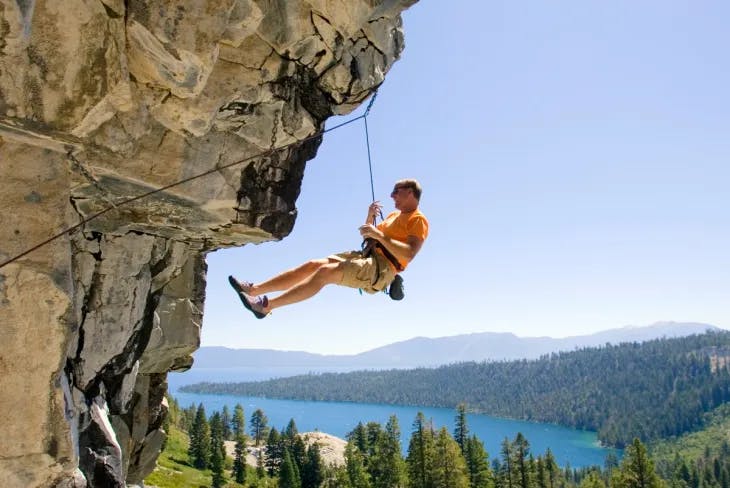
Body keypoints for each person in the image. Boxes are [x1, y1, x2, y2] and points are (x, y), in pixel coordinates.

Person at [228, 178, 429, 319]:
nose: (392, 195)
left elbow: (409, 252)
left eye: (397, 191)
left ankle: (266, 306)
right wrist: (369, 218)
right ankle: (254, 289)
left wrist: (379, 235)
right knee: (313, 264)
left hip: (382, 269)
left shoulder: (418, 220)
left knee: (324, 273)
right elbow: (369, 236)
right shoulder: (394, 216)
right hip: (368, 257)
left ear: (410, 193)